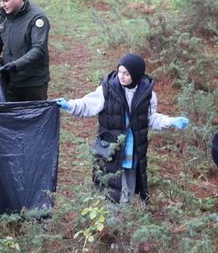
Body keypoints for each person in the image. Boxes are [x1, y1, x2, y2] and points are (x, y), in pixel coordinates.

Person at [56, 53, 189, 203]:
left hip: (133, 149)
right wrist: (70, 105)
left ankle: (124, 218)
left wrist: (171, 121)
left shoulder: (148, 95)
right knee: (109, 185)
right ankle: (109, 219)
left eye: (126, 74)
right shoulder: (107, 89)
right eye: (120, 72)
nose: (121, 76)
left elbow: (150, 119)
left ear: (136, 74)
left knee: (128, 187)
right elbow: (87, 104)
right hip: (110, 147)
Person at [0, 0, 50, 102]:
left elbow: (38, 50)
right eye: (0, 1)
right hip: (9, 81)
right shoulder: (3, 16)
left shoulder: (37, 18)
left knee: (32, 118)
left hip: (32, 83)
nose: (2, 5)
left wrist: (15, 65)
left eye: (5, 1)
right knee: (8, 118)